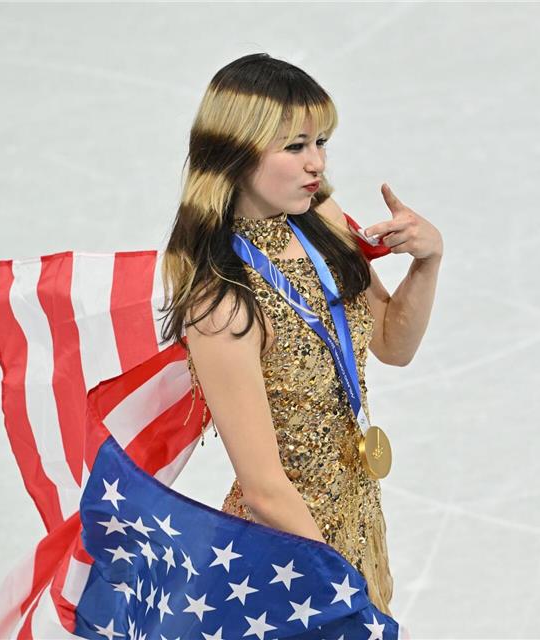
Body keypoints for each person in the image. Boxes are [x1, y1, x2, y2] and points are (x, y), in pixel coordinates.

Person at [156, 53, 443, 620]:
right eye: (295, 146)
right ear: (236, 153)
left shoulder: (323, 220)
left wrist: (427, 263)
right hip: (286, 561)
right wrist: (344, 598)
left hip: (354, 522)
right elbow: (263, 488)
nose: (317, 163)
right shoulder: (221, 300)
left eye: (321, 141)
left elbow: (393, 343)